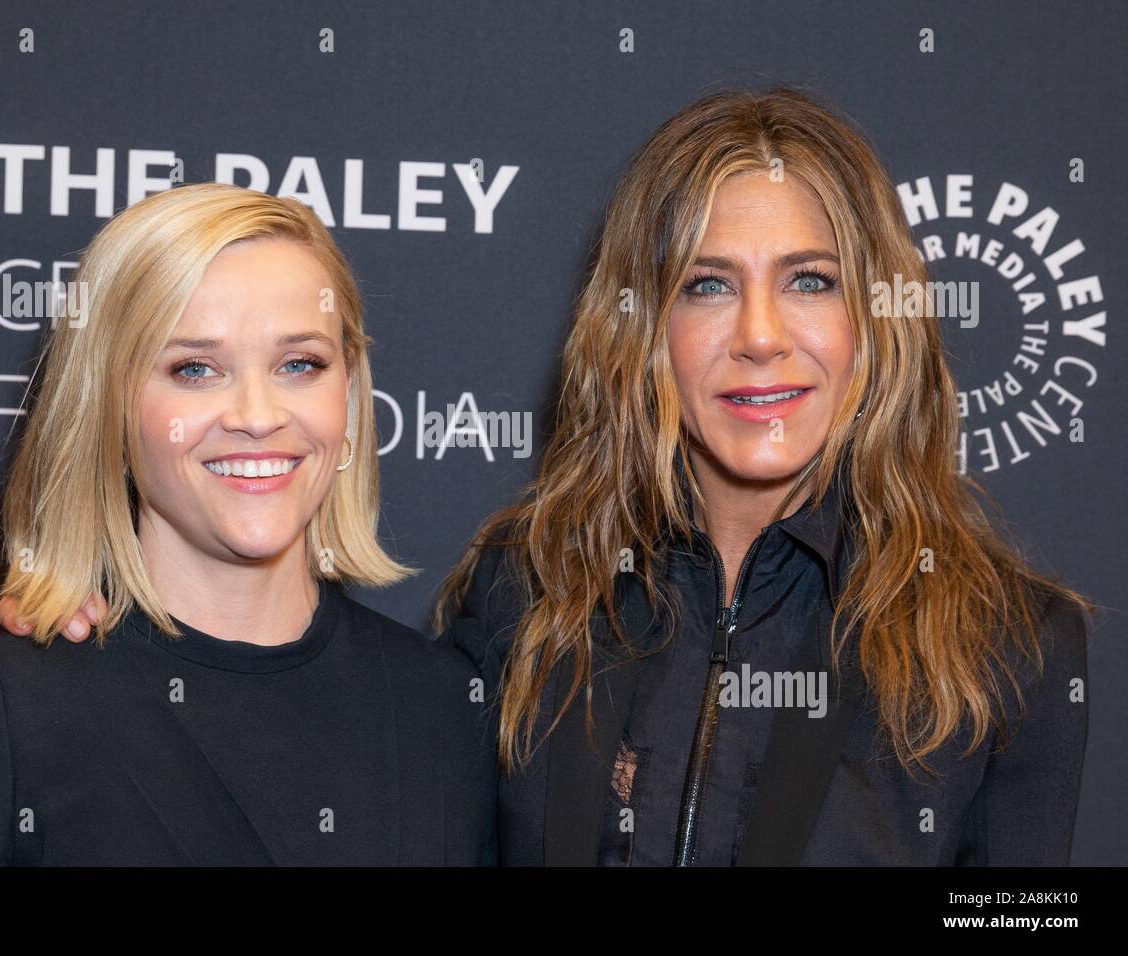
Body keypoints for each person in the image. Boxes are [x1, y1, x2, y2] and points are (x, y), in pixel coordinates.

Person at [433, 87, 1093, 866]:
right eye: (707, 284)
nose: (759, 335)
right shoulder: (526, 587)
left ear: (875, 321)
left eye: (808, 280)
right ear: (643, 329)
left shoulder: (1010, 646)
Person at [0, 183, 496, 866]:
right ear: (108, 403)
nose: (257, 415)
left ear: (350, 394)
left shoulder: (449, 710)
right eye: (195, 369)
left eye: (299, 364)